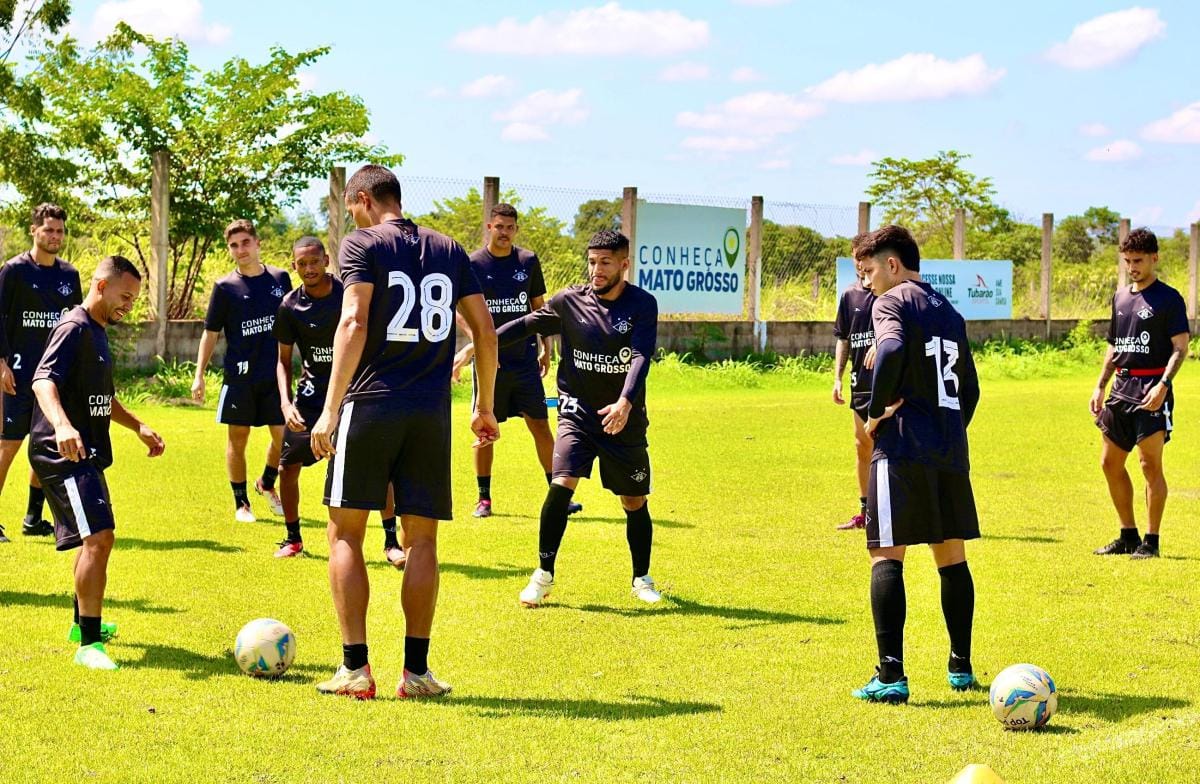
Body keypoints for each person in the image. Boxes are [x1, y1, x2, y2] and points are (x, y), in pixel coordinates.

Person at [308, 165, 499, 699]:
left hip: (370, 403)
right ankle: (416, 674)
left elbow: (353, 322)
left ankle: (354, 669)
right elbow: (484, 331)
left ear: (364, 199)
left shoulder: (362, 244)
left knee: (346, 532)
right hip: (431, 410)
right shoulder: (450, 248)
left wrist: (329, 408)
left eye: (350, 207)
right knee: (423, 540)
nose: (350, 216)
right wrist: (484, 405)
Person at [485, 230, 661, 608]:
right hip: (577, 415)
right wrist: (481, 345)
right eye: (592, 262)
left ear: (624, 264)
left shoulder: (643, 304)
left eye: (606, 263)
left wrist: (625, 403)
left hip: (622, 420)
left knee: (634, 500)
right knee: (560, 484)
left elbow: (640, 357)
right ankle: (543, 575)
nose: (596, 270)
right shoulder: (569, 301)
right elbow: (527, 324)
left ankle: (641, 579)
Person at [851, 225, 981, 704]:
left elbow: (888, 348)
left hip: (903, 446)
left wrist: (875, 410)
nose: (865, 284)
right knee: (951, 557)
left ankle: (890, 676)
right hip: (949, 450)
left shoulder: (892, 301)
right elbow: (971, 391)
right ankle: (961, 666)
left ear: (892, 264)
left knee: (886, 553)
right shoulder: (951, 311)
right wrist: (948, 429)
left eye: (868, 271)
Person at [29, 255, 165, 669]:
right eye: (125, 296)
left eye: (135, 299)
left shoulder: (98, 330)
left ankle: (81, 623)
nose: (130, 305)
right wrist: (63, 426)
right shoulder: (74, 327)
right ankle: (89, 645)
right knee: (100, 538)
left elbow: (102, 397)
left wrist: (137, 425)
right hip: (64, 449)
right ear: (102, 286)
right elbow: (42, 380)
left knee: (92, 536)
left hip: (84, 449)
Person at [272, 237, 402, 565]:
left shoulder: (350, 294)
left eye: (314, 261)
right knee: (287, 467)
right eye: (302, 264)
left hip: (356, 392)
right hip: (313, 398)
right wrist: (287, 404)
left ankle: (390, 541)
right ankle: (293, 537)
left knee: (380, 469)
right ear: (294, 266)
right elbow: (283, 362)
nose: (309, 269)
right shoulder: (289, 306)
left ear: (327, 260)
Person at [452, 203, 582, 519]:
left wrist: (545, 348)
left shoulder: (527, 261)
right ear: (489, 227)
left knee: (540, 424)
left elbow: (540, 309)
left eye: (510, 228)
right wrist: (479, 342)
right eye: (499, 227)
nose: (504, 233)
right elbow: (458, 308)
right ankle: (484, 499)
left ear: (516, 230)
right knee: (484, 430)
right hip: (489, 364)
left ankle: (558, 495)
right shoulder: (472, 264)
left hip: (524, 361)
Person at [1091, 228, 1188, 560]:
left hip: (1151, 390)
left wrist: (1163, 385)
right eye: (1128, 261)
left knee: (1150, 465)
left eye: (1138, 261)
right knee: (1109, 463)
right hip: (1121, 389)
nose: (1132, 267)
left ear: (1154, 258)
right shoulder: (1119, 298)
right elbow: (1113, 347)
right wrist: (1100, 385)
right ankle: (1127, 535)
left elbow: (1180, 348)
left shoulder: (1170, 298)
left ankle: (1152, 541)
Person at [192, 219, 292, 523]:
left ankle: (266, 482)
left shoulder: (280, 279)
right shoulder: (225, 288)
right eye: (234, 245)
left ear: (258, 243)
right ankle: (242, 503)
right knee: (238, 438)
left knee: (285, 438)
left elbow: (294, 323)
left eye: (245, 243)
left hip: (275, 376)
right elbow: (210, 333)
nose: (241, 250)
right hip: (240, 376)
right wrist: (199, 375)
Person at [0, 203, 82, 543]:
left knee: (45, 444)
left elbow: (78, 323)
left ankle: (34, 517)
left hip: (54, 378)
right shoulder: (14, 270)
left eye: (60, 231)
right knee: (8, 445)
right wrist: (1, 362)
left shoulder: (69, 275)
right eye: (48, 230)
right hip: (17, 374)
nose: (55, 237)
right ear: (34, 230)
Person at [832, 236, 875, 530]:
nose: (860, 264)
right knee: (862, 447)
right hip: (860, 383)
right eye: (856, 257)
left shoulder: (890, 294)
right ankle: (865, 512)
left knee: (890, 450)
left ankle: (893, 510)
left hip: (887, 385)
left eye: (865, 257)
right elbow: (843, 339)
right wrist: (837, 376)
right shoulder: (849, 296)